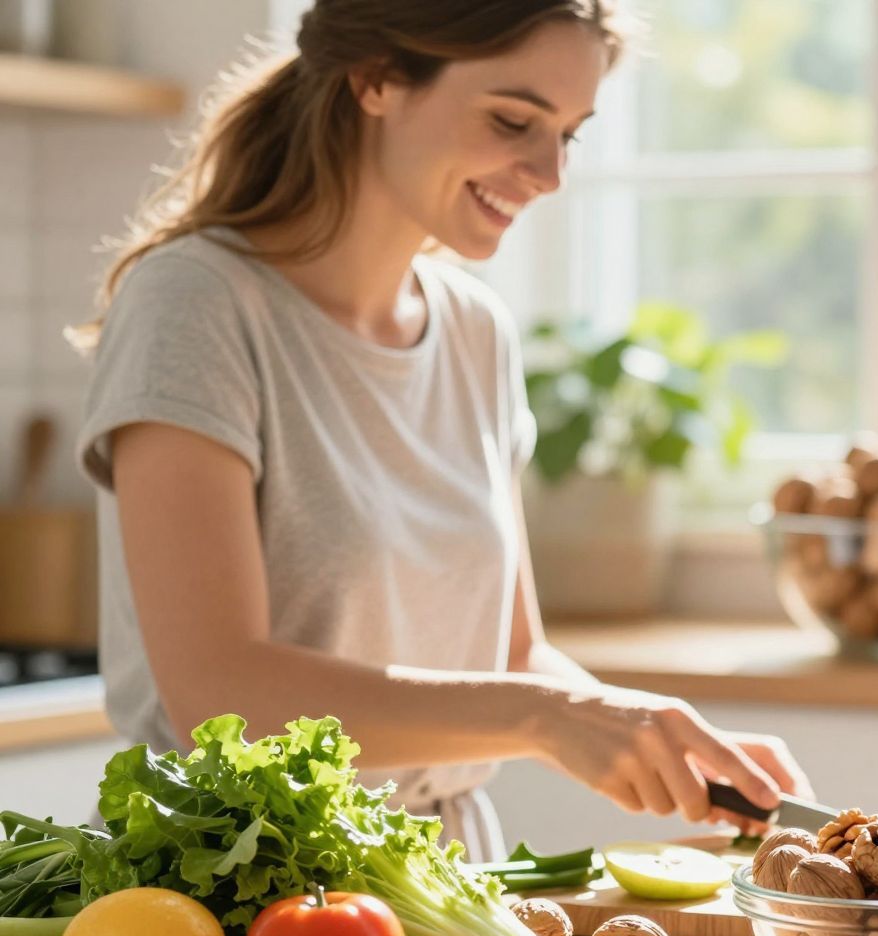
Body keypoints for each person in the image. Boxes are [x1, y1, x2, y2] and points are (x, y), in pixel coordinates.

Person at [72, 0, 808, 859]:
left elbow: (513, 657)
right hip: (231, 885)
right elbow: (218, 692)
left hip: (441, 875)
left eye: (569, 134)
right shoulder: (193, 304)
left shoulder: (473, 330)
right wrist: (548, 717)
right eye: (513, 121)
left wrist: (664, 739)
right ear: (376, 79)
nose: (549, 173)